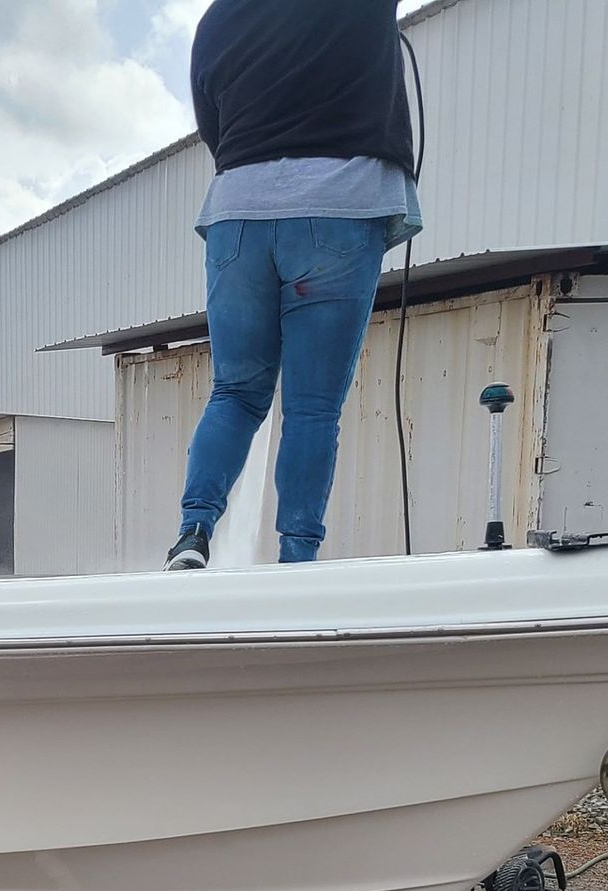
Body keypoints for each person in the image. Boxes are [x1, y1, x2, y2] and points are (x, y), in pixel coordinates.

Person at [166, 0, 422, 571]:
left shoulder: (217, 17)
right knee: (311, 408)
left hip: (237, 212)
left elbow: (213, 126)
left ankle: (192, 532)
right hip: (337, 203)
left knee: (234, 392)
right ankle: (297, 557)